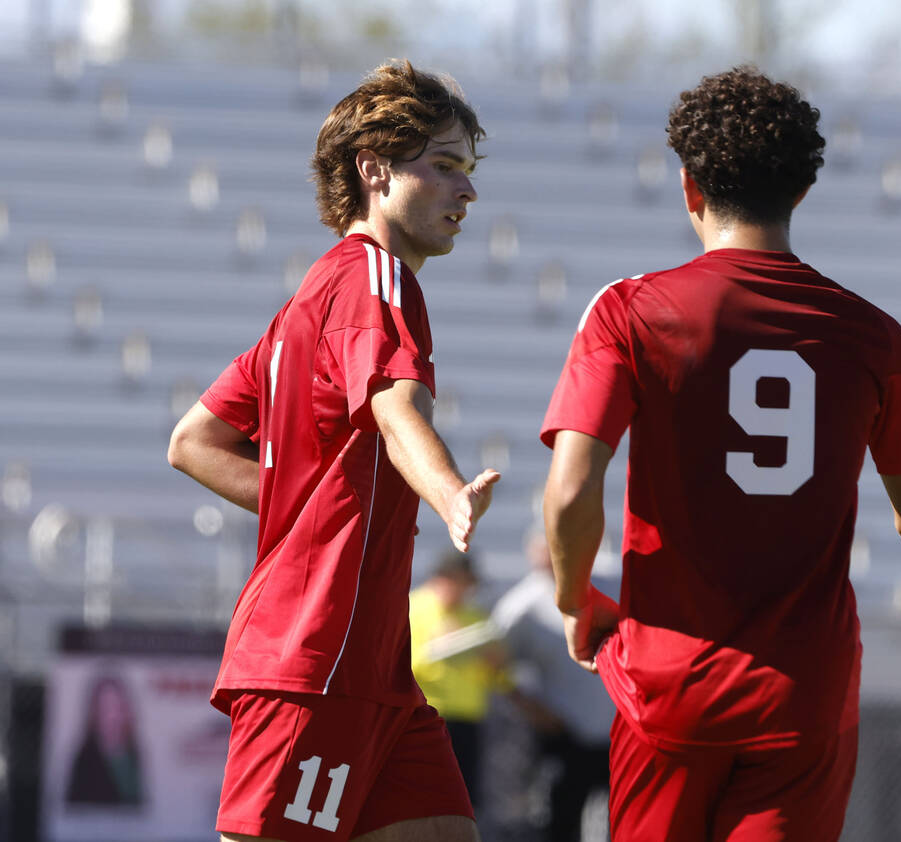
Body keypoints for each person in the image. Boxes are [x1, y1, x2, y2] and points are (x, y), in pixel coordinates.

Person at [539, 67, 901, 842]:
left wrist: (573, 599)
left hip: (667, 686)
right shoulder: (871, 335)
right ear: (801, 192)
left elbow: (570, 495)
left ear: (690, 186)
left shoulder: (629, 312)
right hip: (801, 696)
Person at [168, 60, 500, 842]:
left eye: (469, 171)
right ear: (374, 169)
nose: (468, 191)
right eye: (445, 166)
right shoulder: (376, 279)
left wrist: (313, 500)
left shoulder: (310, 300)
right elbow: (395, 408)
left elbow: (194, 442)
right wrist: (446, 489)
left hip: (373, 667)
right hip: (318, 657)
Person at [490, 526, 615, 842]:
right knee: (559, 823)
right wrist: (532, 710)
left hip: (617, 732)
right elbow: (494, 669)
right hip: (565, 734)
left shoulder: (609, 584)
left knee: (623, 822)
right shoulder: (521, 606)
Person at [408, 551, 507, 807]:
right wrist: (437, 648)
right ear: (443, 579)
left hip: (467, 719)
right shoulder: (411, 608)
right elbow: (400, 665)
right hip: (423, 715)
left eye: (469, 585)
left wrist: (494, 664)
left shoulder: (477, 616)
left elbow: (496, 676)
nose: (465, 591)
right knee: (420, 795)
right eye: (461, 583)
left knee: (461, 799)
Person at [65, 673, 144, 807]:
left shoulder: (135, 755)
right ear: (94, 713)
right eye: (106, 708)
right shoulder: (84, 760)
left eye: (116, 707)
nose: (112, 716)